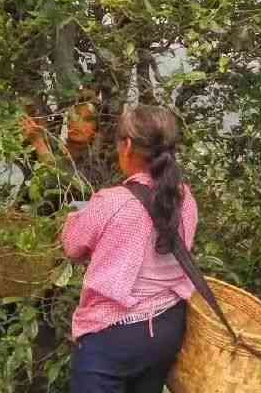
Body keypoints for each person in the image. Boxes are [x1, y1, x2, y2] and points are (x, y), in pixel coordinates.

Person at [61, 105, 197, 393]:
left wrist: (77, 216)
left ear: (128, 145)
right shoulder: (185, 197)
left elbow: (72, 246)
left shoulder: (112, 202)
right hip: (168, 326)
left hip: (115, 335)